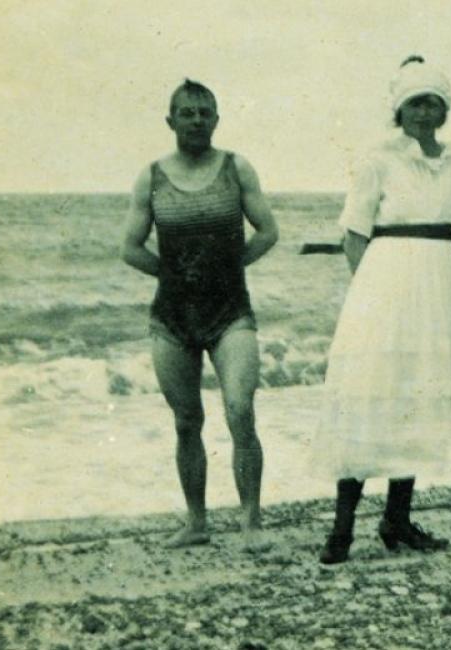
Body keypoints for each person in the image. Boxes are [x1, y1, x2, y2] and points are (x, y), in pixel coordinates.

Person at [312, 57, 451, 564]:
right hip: (384, 290)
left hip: (436, 292)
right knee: (368, 394)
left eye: (434, 102)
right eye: (416, 102)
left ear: (445, 109)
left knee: (419, 393)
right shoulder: (377, 160)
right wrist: (376, 297)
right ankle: (342, 528)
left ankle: (397, 520)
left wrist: (438, 283)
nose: (425, 111)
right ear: (399, 108)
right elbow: (354, 238)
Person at [121, 79, 280, 549]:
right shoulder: (151, 176)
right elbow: (129, 248)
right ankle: (197, 522)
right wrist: (171, 275)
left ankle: (251, 522)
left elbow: (268, 231)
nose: (195, 120)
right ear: (170, 120)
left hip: (231, 311)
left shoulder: (236, 168)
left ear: (216, 119)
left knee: (239, 410)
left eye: (204, 112)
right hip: (171, 317)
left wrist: (228, 268)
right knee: (187, 421)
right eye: (186, 112)